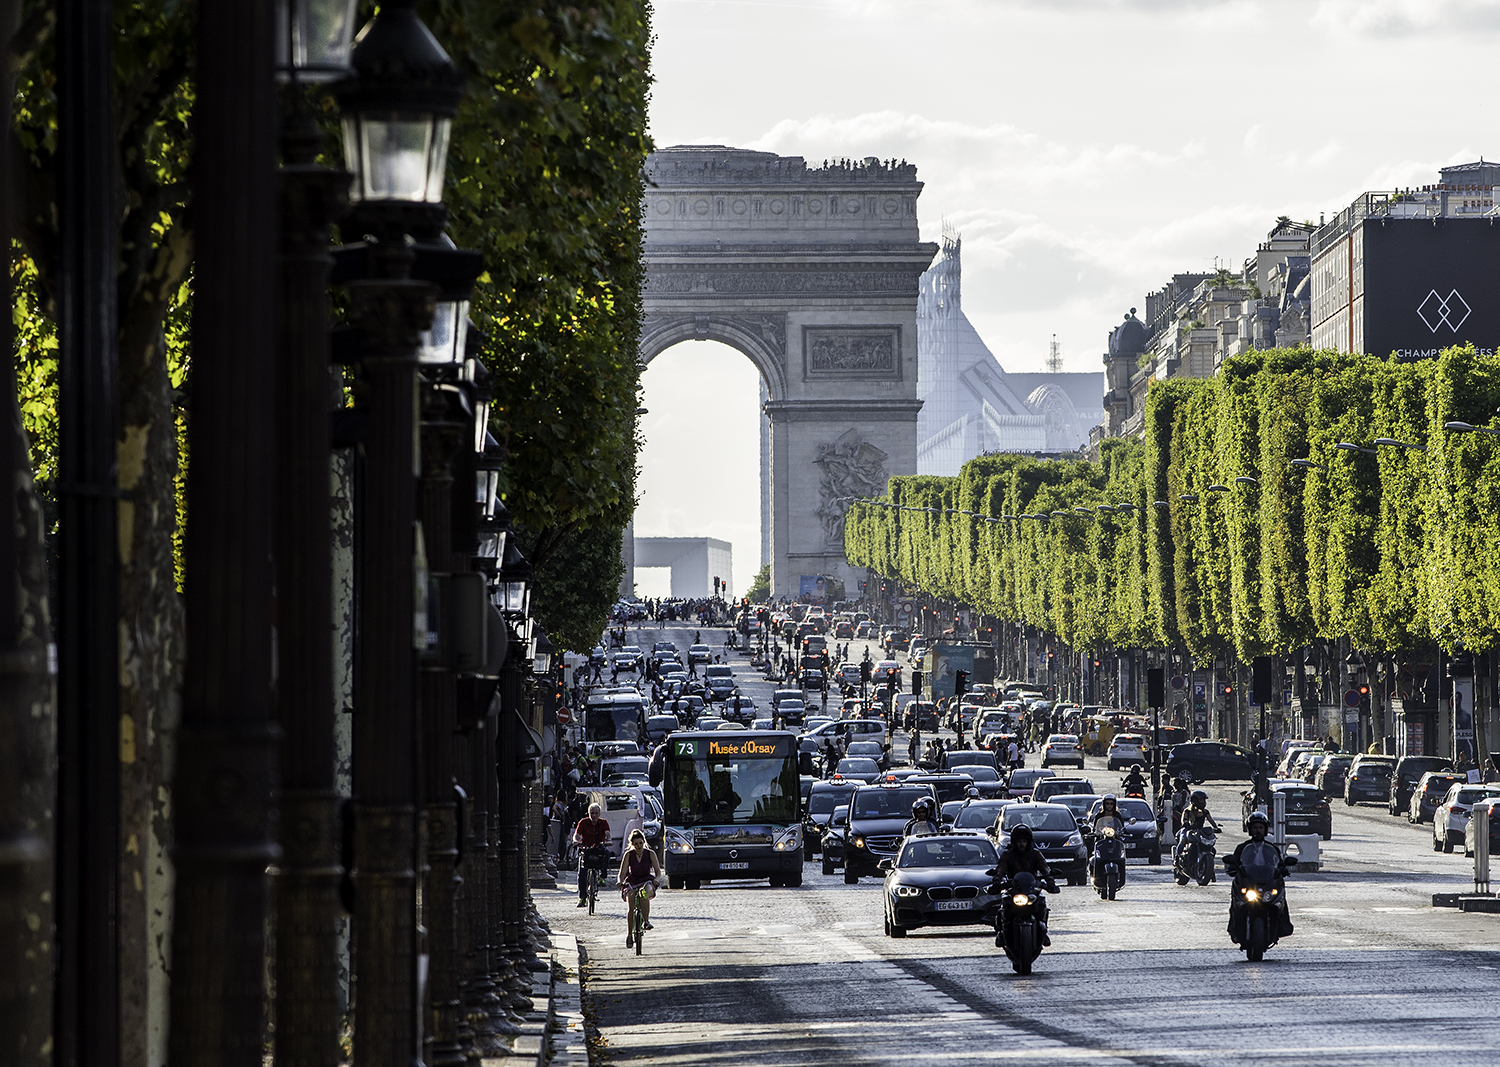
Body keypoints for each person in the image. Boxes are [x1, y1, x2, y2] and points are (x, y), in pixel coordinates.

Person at [1223, 811, 1294, 943]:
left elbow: (1279, 864)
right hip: (1248, 882)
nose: (1258, 831)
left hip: (1267, 883)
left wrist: (1283, 869)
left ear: (1265, 830)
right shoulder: (1242, 848)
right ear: (1250, 829)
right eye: (1255, 828)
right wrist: (1233, 867)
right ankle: (1235, 929)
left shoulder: (1271, 849)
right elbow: (1235, 863)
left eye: (1260, 828)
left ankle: (1282, 927)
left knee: (1280, 902)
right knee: (1236, 904)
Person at [991, 823, 1058, 946]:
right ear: (1014, 842)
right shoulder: (1008, 854)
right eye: (1019, 841)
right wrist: (996, 881)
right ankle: (1001, 932)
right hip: (1013, 888)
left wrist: (1050, 882)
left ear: (1029, 842)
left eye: (1024, 841)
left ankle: (1043, 932)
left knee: (1041, 902)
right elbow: (1001, 867)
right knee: (1004, 904)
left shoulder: (1035, 854)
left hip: (1031, 888)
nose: (1022, 844)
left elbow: (1044, 867)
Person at [617, 828, 662, 946]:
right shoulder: (629, 854)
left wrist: (657, 880)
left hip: (646, 880)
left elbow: (658, 871)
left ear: (644, 842)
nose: (639, 846)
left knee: (645, 892)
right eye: (636, 844)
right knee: (631, 904)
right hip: (632, 881)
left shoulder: (650, 853)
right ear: (632, 844)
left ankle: (646, 921)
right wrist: (620, 881)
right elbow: (622, 872)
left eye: (641, 843)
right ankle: (629, 934)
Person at [573, 802, 612, 907]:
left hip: (598, 847)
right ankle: (582, 898)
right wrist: (576, 841)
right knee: (582, 873)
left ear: (599, 814)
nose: (593, 815)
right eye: (592, 813)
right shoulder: (583, 822)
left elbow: (608, 833)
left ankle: (602, 877)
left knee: (607, 853)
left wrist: (608, 840)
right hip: (586, 848)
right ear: (588, 813)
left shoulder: (603, 823)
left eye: (596, 813)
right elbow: (577, 834)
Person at [1177, 788, 1221, 867]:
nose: (1203, 802)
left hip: (1200, 831)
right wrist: (1186, 824)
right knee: (1183, 840)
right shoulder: (1187, 811)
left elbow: (1211, 821)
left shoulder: (1205, 812)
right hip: (1188, 830)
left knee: (1209, 846)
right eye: (1201, 800)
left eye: (1204, 800)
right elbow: (1184, 820)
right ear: (1194, 800)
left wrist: (1215, 827)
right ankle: (1178, 857)